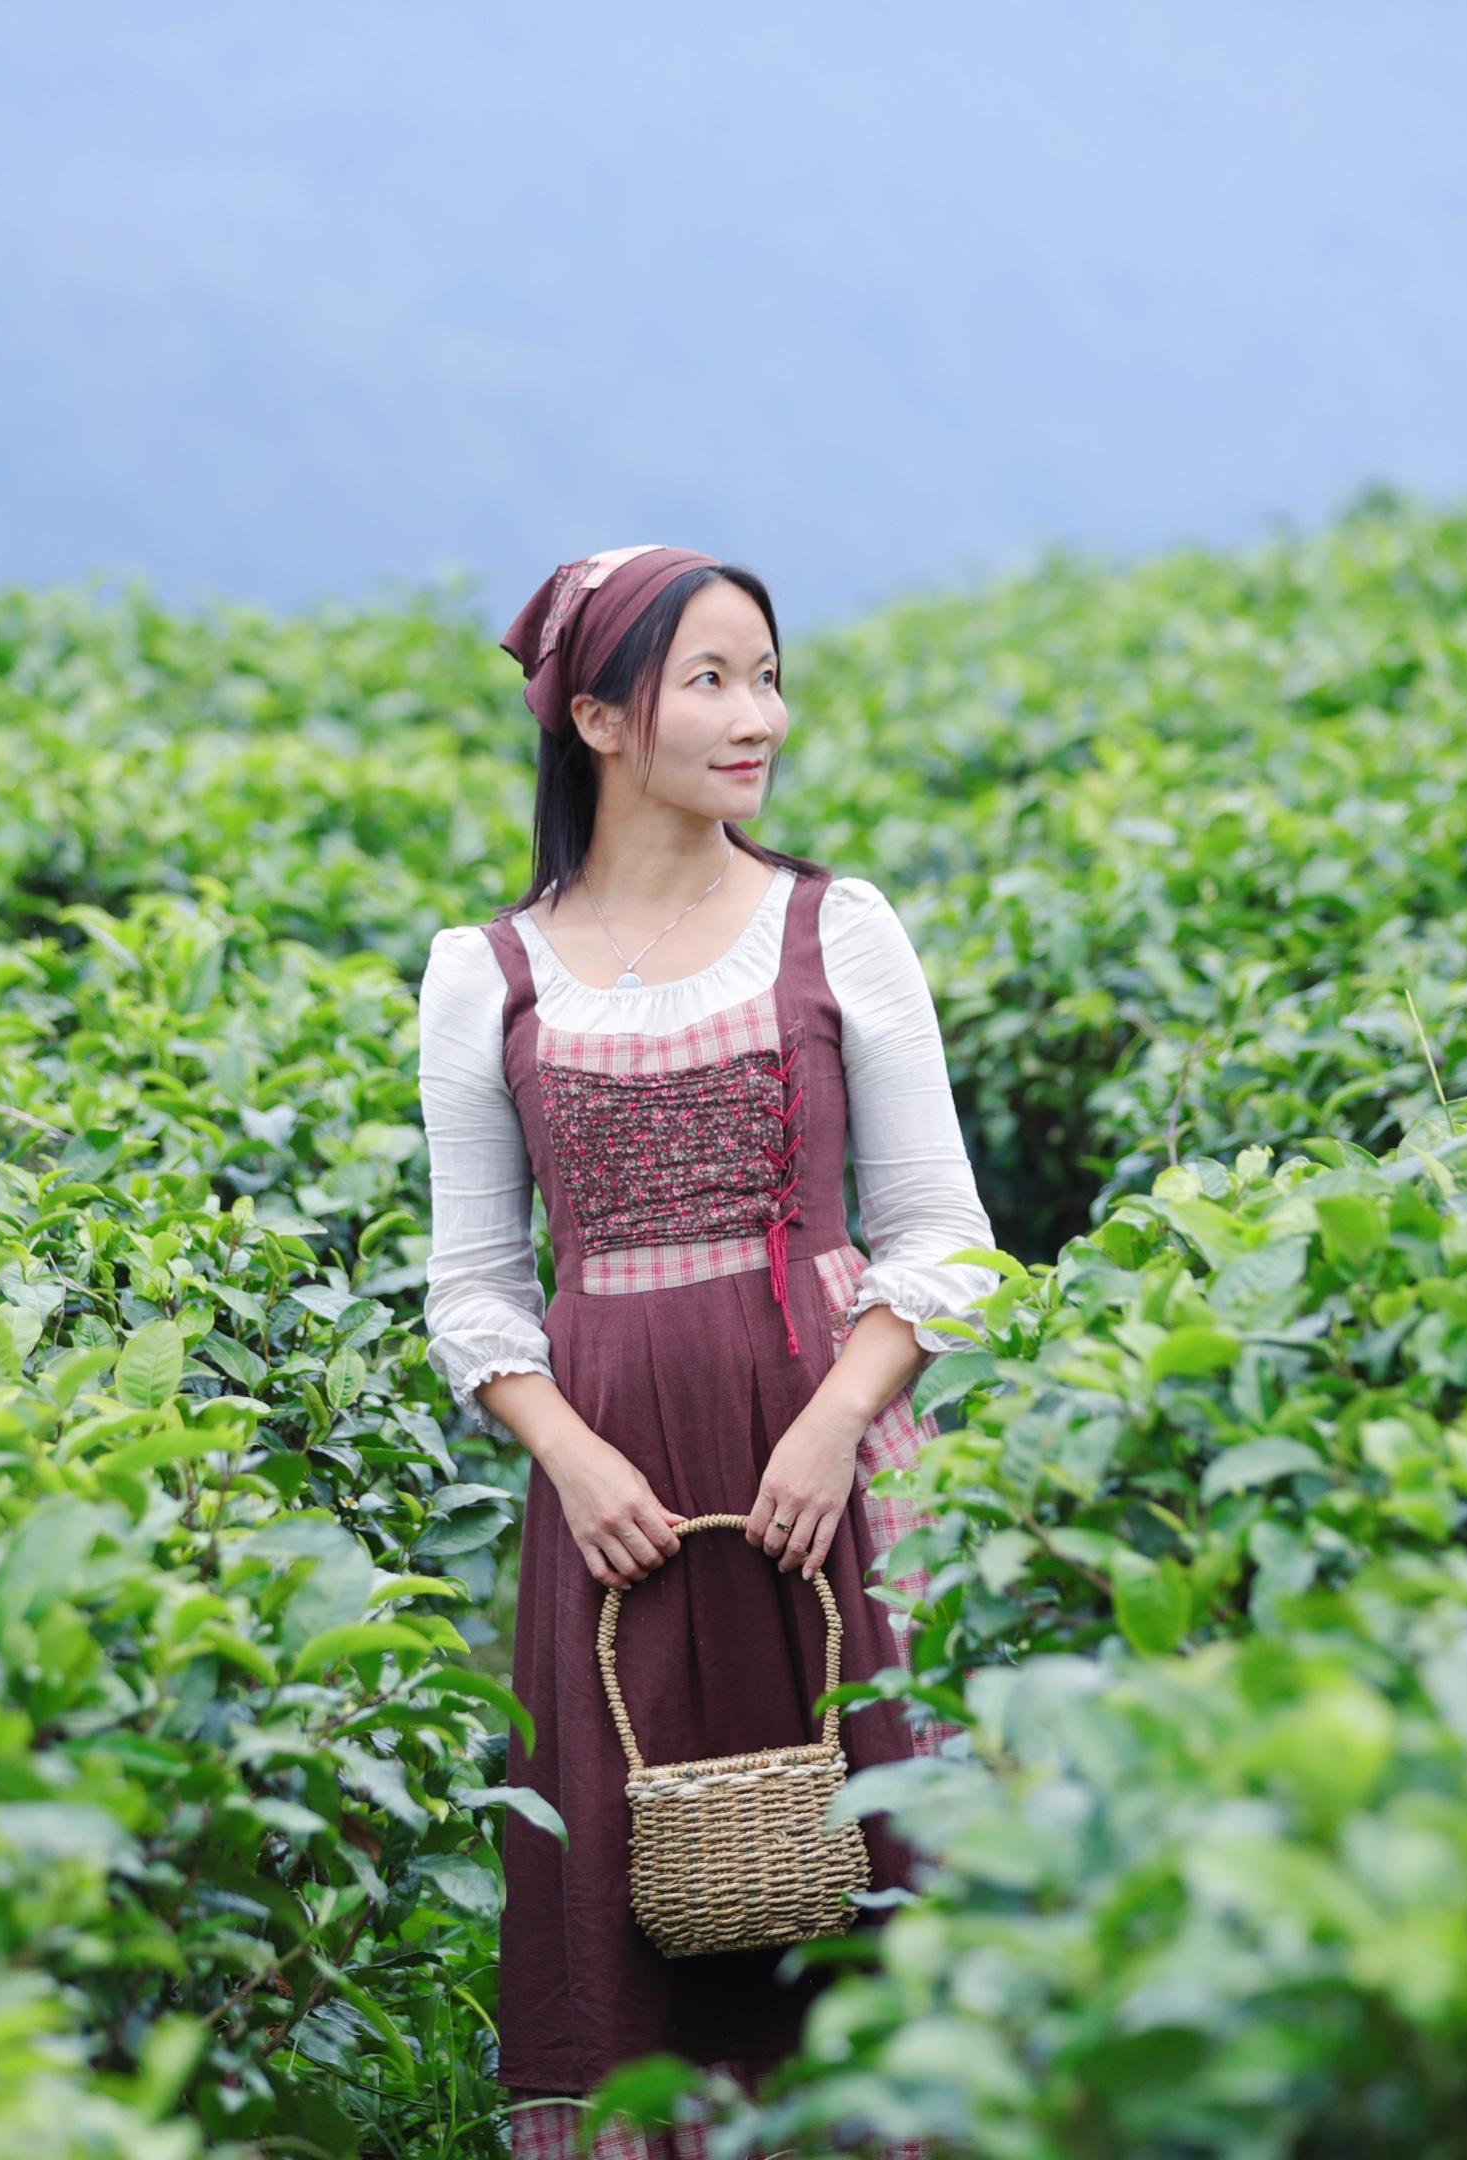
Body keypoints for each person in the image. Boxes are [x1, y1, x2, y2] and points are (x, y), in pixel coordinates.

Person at [418, 546, 999, 2151]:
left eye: (768, 676)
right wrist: (572, 1455)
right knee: (647, 1885)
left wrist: (832, 1427)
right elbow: (473, 1288)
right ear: (597, 718)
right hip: (621, 1498)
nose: (764, 717)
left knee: (875, 1847)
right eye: (714, 682)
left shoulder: (838, 925)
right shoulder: (488, 973)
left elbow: (943, 1238)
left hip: (832, 1465)